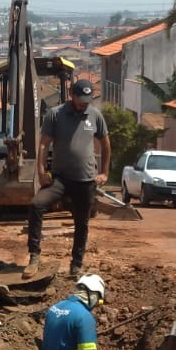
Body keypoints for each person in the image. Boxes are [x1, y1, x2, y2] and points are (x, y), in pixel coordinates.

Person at [26, 78, 110, 279]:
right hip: (60, 179)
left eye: (87, 100)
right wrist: (40, 172)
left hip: (85, 181)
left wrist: (105, 172)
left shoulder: (95, 116)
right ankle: (34, 256)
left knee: (82, 222)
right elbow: (44, 144)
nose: (84, 103)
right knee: (37, 205)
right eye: (81, 99)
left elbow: (106, 145)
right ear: (71, 95)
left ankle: (76, 264)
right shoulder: (55, 115)